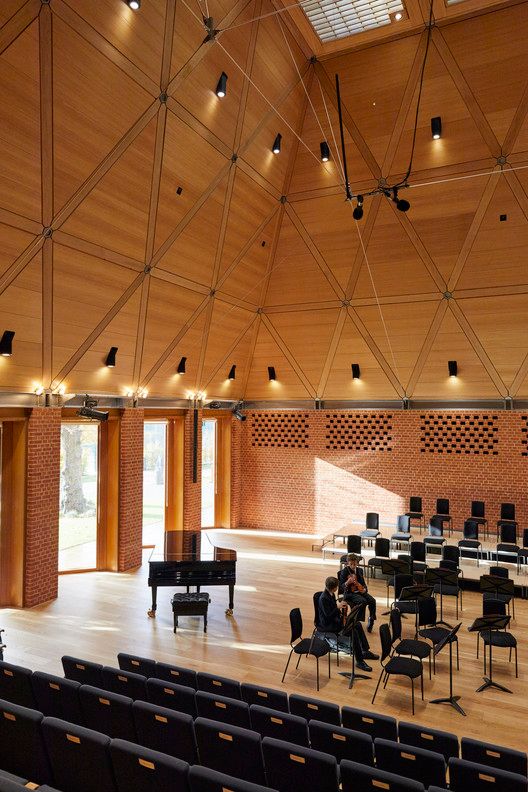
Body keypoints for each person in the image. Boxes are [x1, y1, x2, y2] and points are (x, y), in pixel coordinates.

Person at [317, 576, 378, 672]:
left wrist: (341, 613)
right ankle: (359, 661)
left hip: (335, 620)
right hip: (328, 625)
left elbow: (333, 611)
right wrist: (338, 608)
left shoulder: (331, 594)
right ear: (334, 588)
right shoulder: (323, 598)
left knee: (357, 624)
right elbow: (328, 617)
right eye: (337, 587)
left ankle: (364, 650)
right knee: (353, 632)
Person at [339, 553, 377, 632]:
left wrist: (365, 590)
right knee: (362, 601)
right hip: (350, 593)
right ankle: (356, 621)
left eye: (354, 564)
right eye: (351, 564)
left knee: (372, 601)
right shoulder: (344, 571)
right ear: (348, 563)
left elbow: (363, 583)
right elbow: (341, 587)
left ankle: (371, 619)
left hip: (360, 591)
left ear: (357, 563)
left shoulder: (360, 570)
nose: (353, 566)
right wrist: (347, 582)